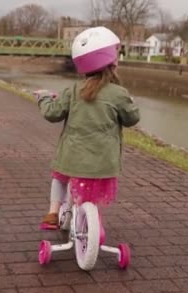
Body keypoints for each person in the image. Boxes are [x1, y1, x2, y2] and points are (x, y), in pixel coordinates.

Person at [34, 27, 140, 230]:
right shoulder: (119, 93)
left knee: (60, 177)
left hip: (71, 158)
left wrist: (44, 98)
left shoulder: (73, 91)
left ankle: (53, 212)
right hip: (103, 162)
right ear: (111, 61)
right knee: (91, 190)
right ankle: (91, 220)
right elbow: (132, 119)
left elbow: (52, 113)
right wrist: (130, 103)